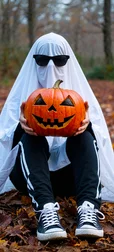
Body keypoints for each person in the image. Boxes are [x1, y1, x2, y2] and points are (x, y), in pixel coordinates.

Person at [0, 33, 114, 242]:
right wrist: (20, 127)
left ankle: (88, 208)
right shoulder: (22, 96)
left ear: (68, 61)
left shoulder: (81, 96)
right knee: (30, 134)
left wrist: (88, 126)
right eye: (42, 61)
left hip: (72, 178)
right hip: (29, 179)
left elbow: (102, 143)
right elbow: (3, 142)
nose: (51, 68)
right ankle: (45, 211)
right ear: (34, 61)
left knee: (85, 134)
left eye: (60, 61)